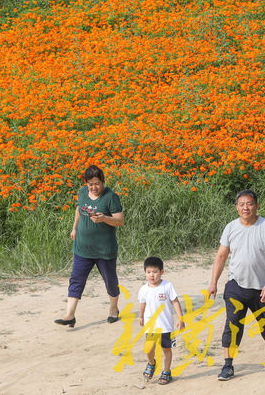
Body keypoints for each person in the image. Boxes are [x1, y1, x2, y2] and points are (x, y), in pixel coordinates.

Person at [207, 189, 265, 381]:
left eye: (249, 204)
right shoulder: (231, 227)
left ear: (256, 206)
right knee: (232, 325)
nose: (245, 207)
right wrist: (214, 282)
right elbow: (221, 256)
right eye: (241, 204)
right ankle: (228, 365)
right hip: (237, 286)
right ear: (236, 207)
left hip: (264, 289)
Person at [55, 165, 124, 327]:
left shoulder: (111, 197)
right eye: (90, 184)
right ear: (86, 183)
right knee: (76, 280)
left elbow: (120, 220)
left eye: (97, 184)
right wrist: (74, 228)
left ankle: (113, 309)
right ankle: (69, 315)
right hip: (82, 247)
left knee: (110, 281)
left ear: (103, 182)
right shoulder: (82, 193)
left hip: (104, 250)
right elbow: (79, 209)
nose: (94, 187)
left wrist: (104, 218)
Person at [138, 256, 184, 385]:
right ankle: (151, 363)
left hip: (166, 326)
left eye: (155, 272)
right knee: (149, 348)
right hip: (150, 326)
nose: (152, 275)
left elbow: (175, 302)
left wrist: (181, 318)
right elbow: (142, 304)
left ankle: (167, 371)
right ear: (145, 273)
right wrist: (141, 316)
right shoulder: (143, 289)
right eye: (148, 272)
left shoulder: (167, 286)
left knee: (166, 349)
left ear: (161, 272)